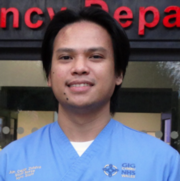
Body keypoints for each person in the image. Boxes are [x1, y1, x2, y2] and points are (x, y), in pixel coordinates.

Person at [0, 7, 179, 181]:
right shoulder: (10, 162)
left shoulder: (163, 163)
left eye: (95, 56)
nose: (79, 68)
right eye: (65, 57)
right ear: (49, 75)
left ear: (119, 74)